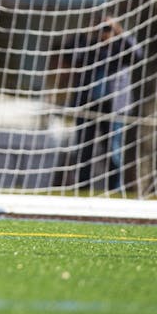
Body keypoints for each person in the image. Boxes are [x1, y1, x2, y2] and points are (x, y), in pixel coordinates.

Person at [57, 14, 143, 191]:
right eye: (101, 29)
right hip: (88, 104)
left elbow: (138, 54)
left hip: (113, 106)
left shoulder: (120, 48)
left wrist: (119, 31)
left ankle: (115, 188)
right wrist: (86, 34)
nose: (104, 33)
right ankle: (82, 187)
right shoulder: (89, 47)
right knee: (84, 149)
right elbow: (68, 53)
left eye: (106, 29)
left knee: (113, 150)